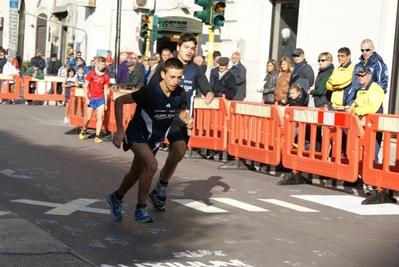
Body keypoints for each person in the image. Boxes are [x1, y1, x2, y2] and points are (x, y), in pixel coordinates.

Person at [106, 58, 189, 223]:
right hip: (137, 134)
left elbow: (182, 113)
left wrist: (187, 119)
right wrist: (120, 130)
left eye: (179, 77)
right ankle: (140, 209)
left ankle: (116, 197)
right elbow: (119, 101)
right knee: (151, 165)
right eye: (172, 77)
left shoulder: (180, 93)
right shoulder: (150, 91)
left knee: (136, 172)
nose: (175, 81)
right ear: (163, 74)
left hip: (154, 139)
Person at [147, 32, 214, 212]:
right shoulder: (166, 66)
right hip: (166, 117)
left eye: (192, 48)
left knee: (176, 155)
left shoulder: (195, 69)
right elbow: (149, 89)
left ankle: (160, 186)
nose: (189, 51)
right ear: (179, 48)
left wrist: (209, 95)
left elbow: (207, 88)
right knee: (177, 150)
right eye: (186, 47)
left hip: (184, 118)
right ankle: (143, 191)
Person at [350, 66, 384, 163]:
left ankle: (372, 177)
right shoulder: (360, 90)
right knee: (360, 153)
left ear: (369, 76)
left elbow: (372, 108)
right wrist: (349, 109)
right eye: (358, 75)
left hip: (373, 128)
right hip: (362, 127)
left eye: (362, 75)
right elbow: (355, 104)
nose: (360, 77)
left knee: (371, 155)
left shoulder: (376, 89)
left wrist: (356, 111)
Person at [345, 39, 388, 106]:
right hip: (354, 102)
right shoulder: (358, 66)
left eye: (367, 50)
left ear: (373, 49)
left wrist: (370, 100)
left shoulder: (379, 65)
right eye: (362, 50)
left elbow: (382, 86)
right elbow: (353, 85)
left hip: (368, 103)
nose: (364, 52)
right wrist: (349, 100)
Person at [78, 56, 111, 143]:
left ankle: (97, 136)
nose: (102, 66)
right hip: (91, 98)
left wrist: (106, 103)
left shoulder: (106, 76)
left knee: (100, 117)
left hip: (100, 99)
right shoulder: (91, 73)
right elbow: (85, 86)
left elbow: (105, 90)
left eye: (104, 64)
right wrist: (86, 98)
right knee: (88, 117)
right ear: (97, 63)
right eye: (101, 64)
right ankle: (84, 129)